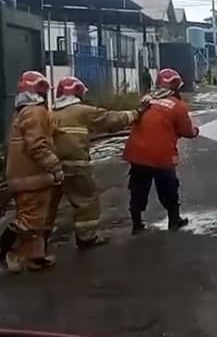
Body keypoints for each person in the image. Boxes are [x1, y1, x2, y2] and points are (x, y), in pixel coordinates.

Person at [46, 76, 144, 249]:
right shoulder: (82, 111)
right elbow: (111, 120)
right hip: (76, 165)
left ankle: (38, 241)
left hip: (52, 167)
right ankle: (86, 237)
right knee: (86, 201)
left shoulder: (50, 114)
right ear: (76, 93)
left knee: (49, 205)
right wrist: (136, 113)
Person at [123, 68, 199, 235]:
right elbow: (187, 131)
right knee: (169, 187)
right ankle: (174, 220)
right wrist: (195, 132)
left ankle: (136, 224)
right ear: (176, 87)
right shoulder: (177, 106)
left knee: (138, 188)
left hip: (137, 153)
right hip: (161, 155)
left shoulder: (146, 100)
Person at [0, 71, 63, 273]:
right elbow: (37, 145)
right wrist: (54, 166)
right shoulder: (36, 112)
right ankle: (5, 250)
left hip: (23, 175)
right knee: (29, 219)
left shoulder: (20, 112)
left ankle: (35, 256)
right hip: (32, 176)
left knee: (36, 219)